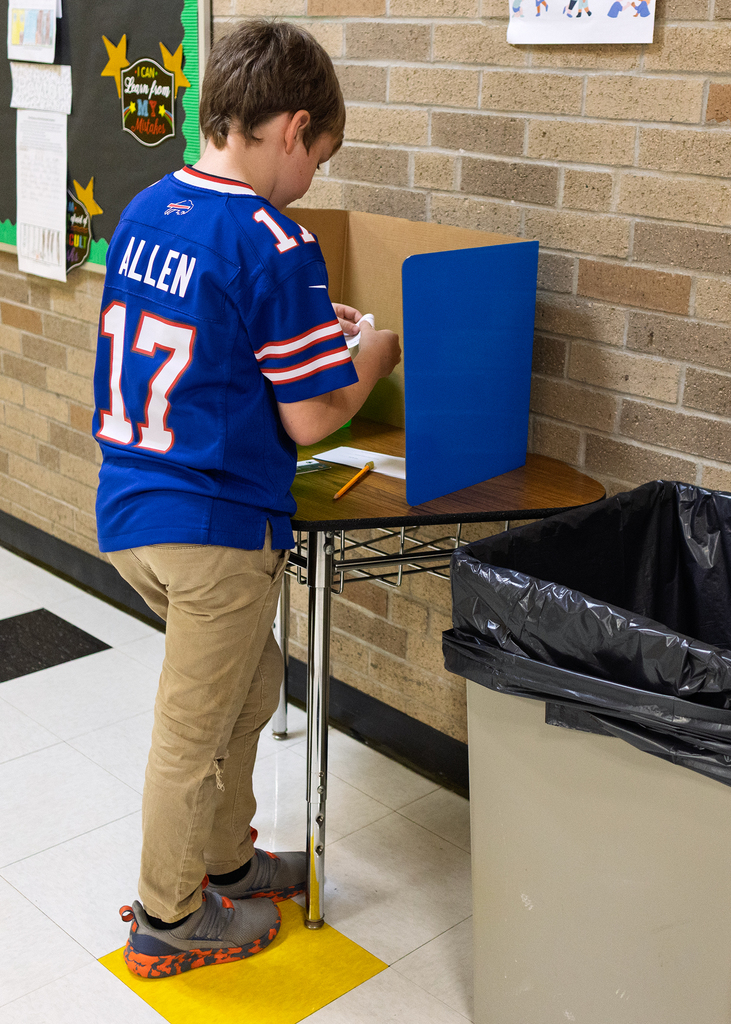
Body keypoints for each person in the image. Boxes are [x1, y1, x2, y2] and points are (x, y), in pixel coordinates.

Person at [92, 19, 400, 980]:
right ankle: (168, 916)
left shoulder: (149, 206)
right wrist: (367, 358)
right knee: (195, 727)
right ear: (293, 128)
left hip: (132, 511)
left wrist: (311, 330)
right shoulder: (278, 240)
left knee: (249, 685)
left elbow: (216, 333)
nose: (311, 182)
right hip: (217, 528)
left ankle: (226, 857)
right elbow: (312, 420)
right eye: (318, 159)